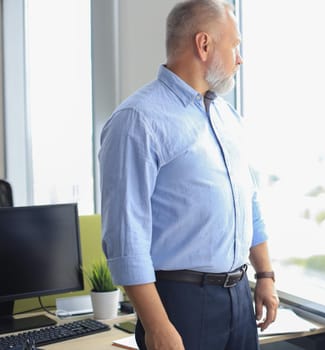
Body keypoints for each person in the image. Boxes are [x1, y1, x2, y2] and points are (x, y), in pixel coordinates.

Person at [98, 1, 279, 349]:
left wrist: (265, 276)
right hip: (180, 305)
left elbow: (248, 201)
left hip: (240, 300)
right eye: (235, 46)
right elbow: (125, 237)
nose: (239, 59)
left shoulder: (228, 117)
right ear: (204, 44)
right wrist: (157, 326)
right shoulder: (138, 120)